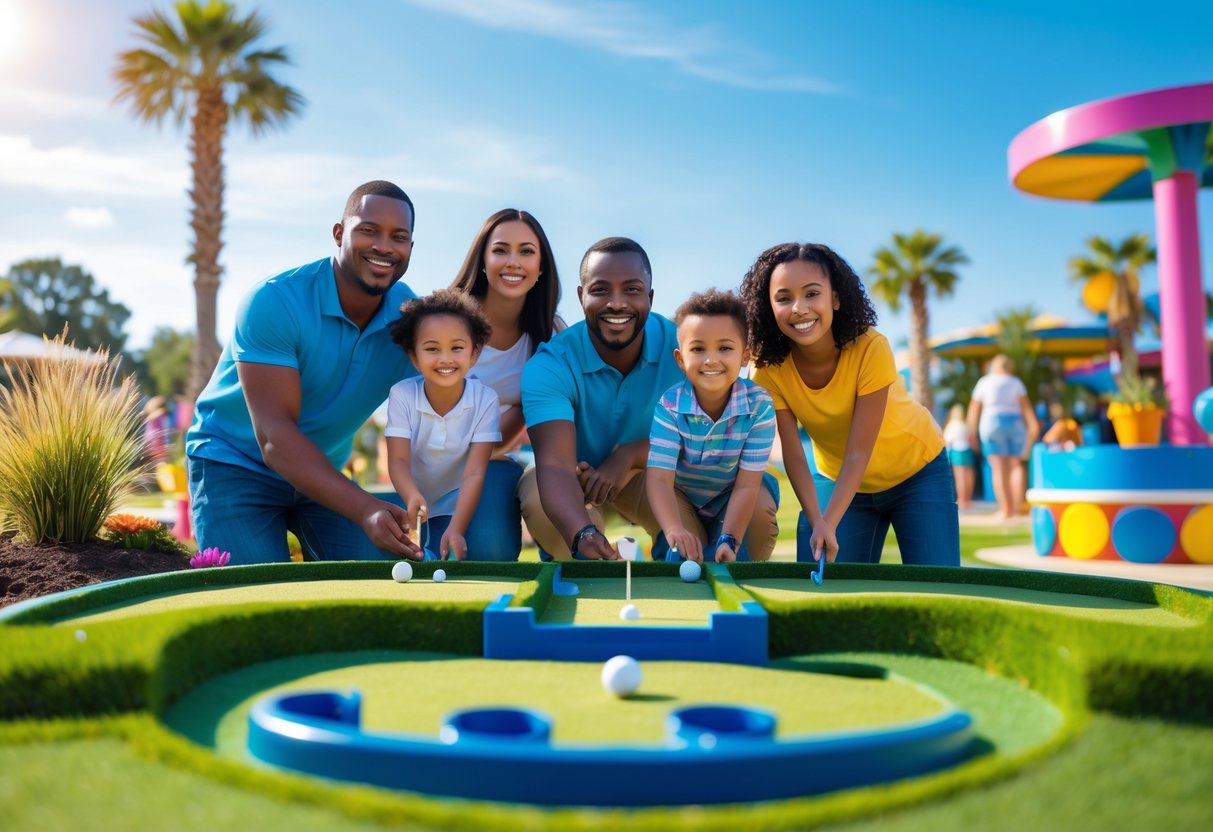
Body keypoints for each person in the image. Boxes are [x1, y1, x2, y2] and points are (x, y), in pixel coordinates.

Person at [186, 180, 423, 564]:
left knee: (385, 577)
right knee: (254, 598)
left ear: (410, 249)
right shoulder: (274, 301)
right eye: (368, 230)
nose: (383, 246)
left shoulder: (411, 319)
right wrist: (365, 507)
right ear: (338, 233)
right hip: (233, 464)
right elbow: (275, 438)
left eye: (398, 237)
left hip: (321, 474)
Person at [740, 242, 959, 566]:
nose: (799, 308)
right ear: (767, 307)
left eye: (812, 293)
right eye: (784, 298)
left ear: (836, 298)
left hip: (917, 471)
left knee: (940, 589)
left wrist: (830, 521)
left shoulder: (871, 347)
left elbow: (859, 451)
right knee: (820, 581)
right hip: (837, 479)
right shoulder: (766, 367)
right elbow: (794, 454)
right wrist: (818, 520)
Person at [521, 237, 722, 560]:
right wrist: (581, 531)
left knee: (691, 548)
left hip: (650, 473)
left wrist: (627, 457)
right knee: (536, 496)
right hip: (574, 476)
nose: (617, 303)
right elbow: (555, 464)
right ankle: (579, 561)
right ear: (581, 296)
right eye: (600, 290)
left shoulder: (687, 350)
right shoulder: (550, 364)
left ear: (650, 297)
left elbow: (705, 438)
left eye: (631, 289)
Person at [448, 208, 565, 555]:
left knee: (492, 551)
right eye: (500, 250)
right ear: (483, 259)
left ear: (541, 267)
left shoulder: (550, 333)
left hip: (492, 462)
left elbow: (533, 411)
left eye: (526, 252)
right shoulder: (445, 319)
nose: (513, 262)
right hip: (433, 461)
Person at [646, 289, 779, 563]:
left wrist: (730, 538)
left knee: (757, 518)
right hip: (683, 496)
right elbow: (659, 480)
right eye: (697, 349)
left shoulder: (759, 405)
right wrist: (674, 529)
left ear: (745, 356)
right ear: (681, 360)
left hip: (733, 495)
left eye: (725, 348)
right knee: (679, 558)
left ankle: (745, 568)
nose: (711, 359)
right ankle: (667, 546)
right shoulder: (669, 405)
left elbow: (746, 486)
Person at [385, 290, 504, 560]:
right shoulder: (402, 395)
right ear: (414, 357)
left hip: (460, 497)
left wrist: (457, 528)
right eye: (431, 349)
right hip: (415, 497)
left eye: (457, 348)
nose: (445, 358)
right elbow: (398, 462)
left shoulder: (485, 399)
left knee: (492, 549)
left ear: (474, 354)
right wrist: (412, 495)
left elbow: (474, 472)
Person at [967, 354, 1039, 520]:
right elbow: (1026, 408)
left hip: (992, 423)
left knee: (998, 468)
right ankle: (1016, 508)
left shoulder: (985, 382)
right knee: (1016, 466)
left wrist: (972, 433)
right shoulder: (1015, 382)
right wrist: (1033, 425)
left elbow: (974, 411)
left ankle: (1005, 510)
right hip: (1015, 423)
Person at [942, 403, 976, 510]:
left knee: (960, 477)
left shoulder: (952, 425)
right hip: (967, 451)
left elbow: (946, 440)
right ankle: (968, 499)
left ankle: (962, 500)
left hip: (957, 451)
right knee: (969, 476)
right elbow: (972, 440)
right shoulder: (966, 425)